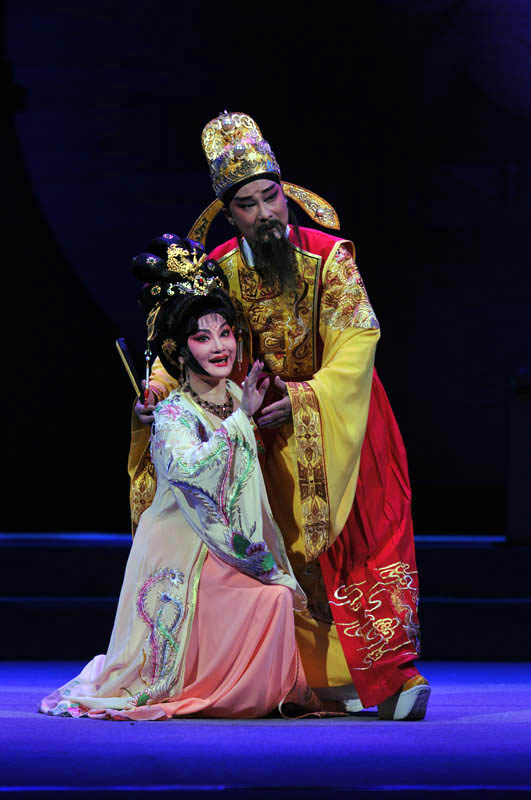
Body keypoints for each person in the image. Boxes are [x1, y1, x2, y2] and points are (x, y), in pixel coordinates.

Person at [130, 112, 430, 721]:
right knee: (280, 558)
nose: (266, 213)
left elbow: (358, 340)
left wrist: (304, 398)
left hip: (343, 422)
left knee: (366, 540)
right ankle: (306, 679)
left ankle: (392, 676)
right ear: (228, 212)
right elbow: (184, 337)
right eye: (248, 204)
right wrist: (157, 389)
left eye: (272, 196)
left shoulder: (329, 258)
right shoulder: (217, 269)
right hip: (260, 435)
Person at [40, 236, 323, 720]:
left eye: (225, 333)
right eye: (202, 337)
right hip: (183, 545)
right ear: (179, 349)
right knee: (271, 598)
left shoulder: (238, 395)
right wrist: (242, 421)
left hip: (225, 542)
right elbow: (189, 472)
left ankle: (245, 692)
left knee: (277, 597)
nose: (220, 346)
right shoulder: (174, 412)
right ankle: (211, 688)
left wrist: (249, 413)